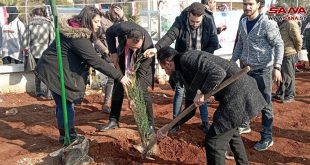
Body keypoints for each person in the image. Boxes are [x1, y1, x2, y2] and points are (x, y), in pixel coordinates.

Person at [34, 6, 131, 143]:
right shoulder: (78, 37)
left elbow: (95, 41)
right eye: (96, 22)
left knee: (63, 103)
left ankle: (66, 134)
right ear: (88, 20)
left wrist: (105, 51)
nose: (99, 25)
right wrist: (120, 76)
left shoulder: (75, 27)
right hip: (54, 69)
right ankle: (68, 136)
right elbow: (95, 62)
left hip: (54, 67)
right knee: (66, 104)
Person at [156, 47, 266, 164]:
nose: (165, 72)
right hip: (239, 93)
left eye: (163, 68)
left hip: (239, 94)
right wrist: (170, 127)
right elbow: (190, 110)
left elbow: (218, 72)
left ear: (167, 63)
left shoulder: (187, 58)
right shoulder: (184, 72)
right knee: (229, 130)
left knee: (213, 141)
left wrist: (201, 92)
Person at [144, 2, 219, 133]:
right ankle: (175, 122)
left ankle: (205, 123)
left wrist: (205, 58)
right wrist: (156, 49)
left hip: (201, 63)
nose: (194, 24)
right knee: (179, 90)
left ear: (202, 17)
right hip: (182, 63)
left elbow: (213, 42)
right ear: (188, 15)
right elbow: (170, 36)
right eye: (192, 21)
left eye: (197, 22)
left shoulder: (208, 21)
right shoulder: (181, 20)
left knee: (201, 93)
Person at [231, 0, 284, 151]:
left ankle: (267, 137)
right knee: (245, 97)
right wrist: (232, 61)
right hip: (245, 69)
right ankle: (245, 124)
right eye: (245, 4)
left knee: (265, 104)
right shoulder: (242, 22)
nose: (247, 7)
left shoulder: (267, 23)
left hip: (262, 70)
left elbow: (279, 44)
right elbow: (240, 43)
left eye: (250, 4)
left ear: (259, 5)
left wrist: (277, 66)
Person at [98, 21, 155, 135]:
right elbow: (109, 33)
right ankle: (113, 120)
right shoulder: (122, 28)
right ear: (126, 37)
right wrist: (113, 52)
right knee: (118, 88)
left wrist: (133, 98)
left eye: (136, 48)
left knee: (142, 92)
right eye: (131, 46)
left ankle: (149, 124)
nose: (133, 49)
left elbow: (141, 75)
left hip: (142, 64)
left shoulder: (148, 48)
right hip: (123, 59)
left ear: (142, 40)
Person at [94, 4, 127, 114]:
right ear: (111, 10)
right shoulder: (102, 21)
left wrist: (123, 17)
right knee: (112, 77)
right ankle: (107, 103)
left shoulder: (121, 20)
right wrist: (104, 50)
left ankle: (117, 103)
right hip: (108, 53)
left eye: (119, 13)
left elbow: (130, 29)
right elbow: (95, 38)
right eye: (115, 12)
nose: (117, 15)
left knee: (120, 77)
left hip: (121, 53)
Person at [273, 4, 303, 104]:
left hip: (289, 54)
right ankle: (280, 93)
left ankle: (290, 95)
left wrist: (296, 50)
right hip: (281, 54)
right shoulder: (282, 22)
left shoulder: (290, 23)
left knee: (288, 76)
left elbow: (298, 39)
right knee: (281, 75)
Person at [22, 7, 55, 99]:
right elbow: (52, 39)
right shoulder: (49, 24)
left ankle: (38, 91)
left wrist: (27, 50)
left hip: (34, 52)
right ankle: (49, 93)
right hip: (46, 51)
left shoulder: (29, 24)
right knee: (48, 72)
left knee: (37, 72)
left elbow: (24, 41)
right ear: (43, 14)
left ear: (34, 14)